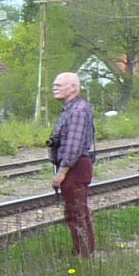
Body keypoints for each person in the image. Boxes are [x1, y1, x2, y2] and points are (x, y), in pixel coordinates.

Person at [48, 71, 96, 256]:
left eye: (59, 84)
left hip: (75, 167)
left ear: (73, 88)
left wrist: (61, 172)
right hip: (75, 166)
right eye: (55, 84)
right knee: (76, 211)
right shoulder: (72, 109)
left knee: (76, 212)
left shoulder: (76, 111)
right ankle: (83, 250)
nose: (55, 87)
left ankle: (83, 253)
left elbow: (73, 146)